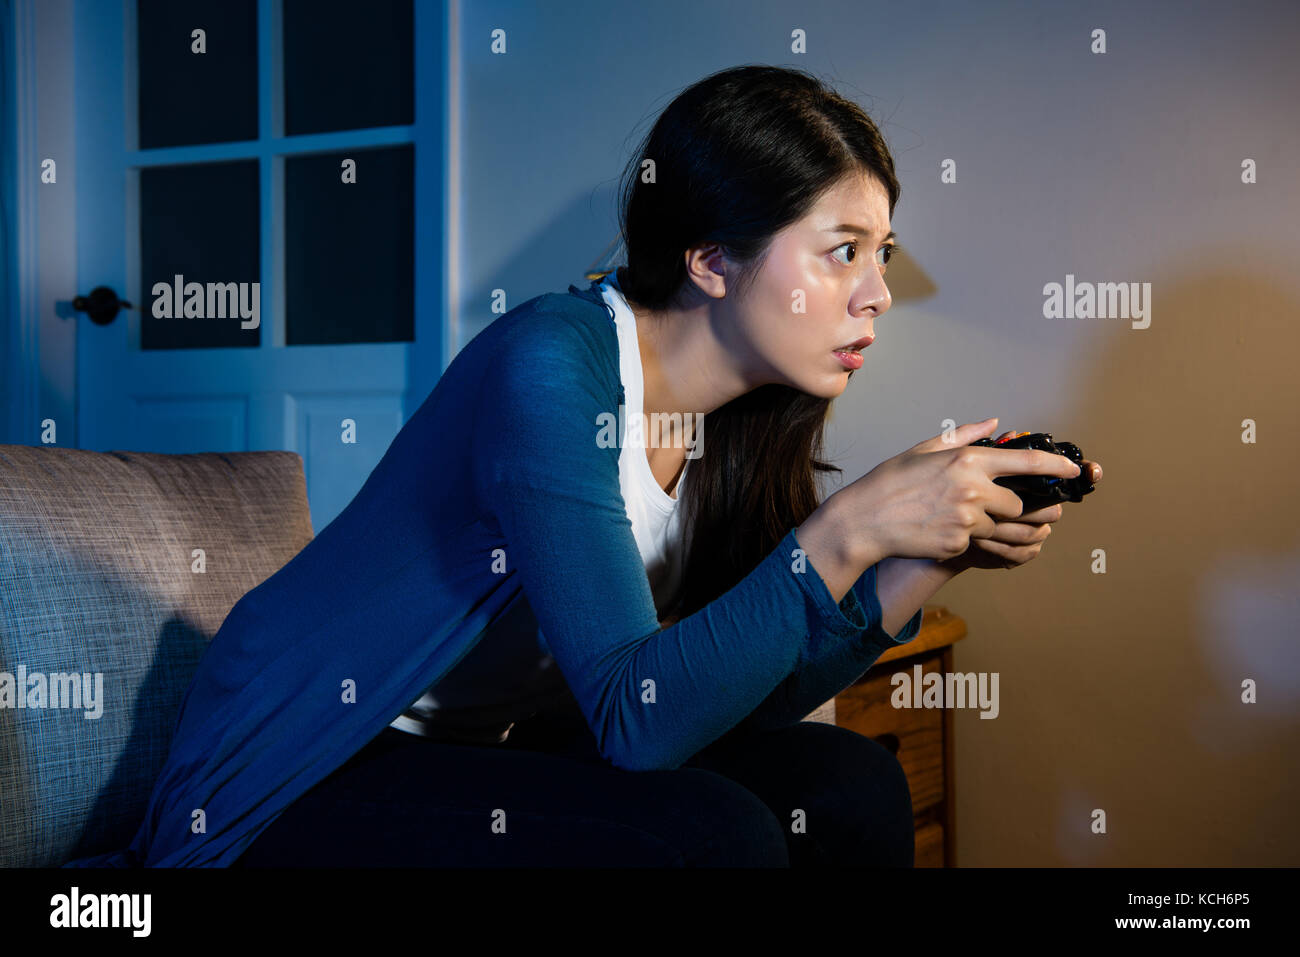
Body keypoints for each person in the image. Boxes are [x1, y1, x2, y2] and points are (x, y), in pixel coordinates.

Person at [66, 64, 1101, 869]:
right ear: (709, 259)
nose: (877, 291)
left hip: (493, 748)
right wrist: (844, 531)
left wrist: (915, 564)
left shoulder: (745, 417)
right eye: (843, 250)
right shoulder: (549, 366)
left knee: (843, 785)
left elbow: (729, 701)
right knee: (712, 836)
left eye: (882, 251)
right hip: (306, 767)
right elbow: (641, 729)